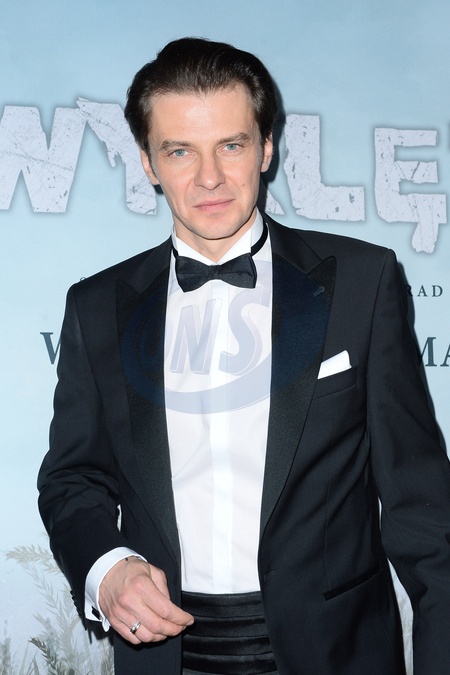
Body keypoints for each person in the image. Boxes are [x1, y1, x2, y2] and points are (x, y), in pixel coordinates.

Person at [37, 37, 450, 675]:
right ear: (148, 162)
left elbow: (424, 513)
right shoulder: (94, 308)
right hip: (164, 656)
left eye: (230, 145)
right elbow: (72, 480)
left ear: (266, 149)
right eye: (180, 151)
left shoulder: (363, 283)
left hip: (338, 653)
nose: (209, 178)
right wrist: (106, 567)